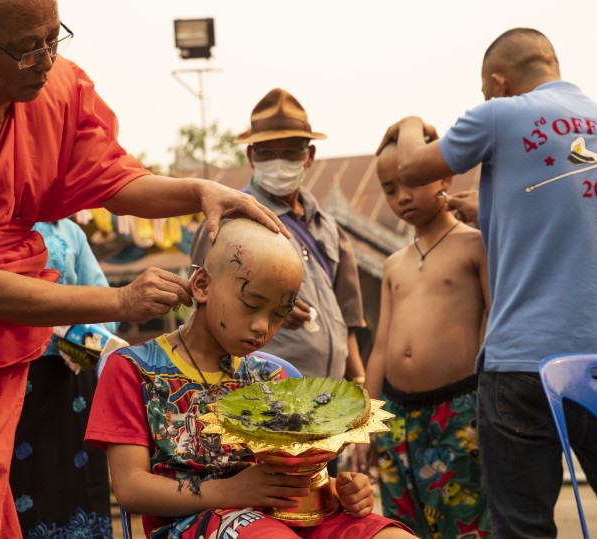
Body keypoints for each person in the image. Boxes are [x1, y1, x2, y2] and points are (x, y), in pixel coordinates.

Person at [0, 0, 285, 536]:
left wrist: (197, 190)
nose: (47, 62)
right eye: (28, 49)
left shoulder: (48, 85)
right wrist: (120, 301)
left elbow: (109, 178)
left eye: (55, 39)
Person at [376, 27, 597, 538]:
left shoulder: (501, 114)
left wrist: (410, 122)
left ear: (498, 83)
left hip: (526, 366)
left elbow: (411, 166)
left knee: (522, 530)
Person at [85, 218, 415, 539]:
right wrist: (231, 491)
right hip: (194, 523)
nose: (262, 327)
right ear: (202, 286)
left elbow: (301, 476)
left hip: (289, 517)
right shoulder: (133, 369)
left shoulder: (277, 376)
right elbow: (130, 488)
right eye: (252, 304)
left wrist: (342, 489)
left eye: (278, 314)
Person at [190, 88, 367, 386]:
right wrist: (271, 309)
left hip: (330, 391)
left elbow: (347, 322)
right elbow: (200, 309)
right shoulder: (227, 219)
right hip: (258, 389)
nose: (278, 161)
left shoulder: (329, 229)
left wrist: (359, 382)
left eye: (289, 152)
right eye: (266, 152)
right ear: (251, 156)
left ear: (309, 156)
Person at [364, 142, 490, 537]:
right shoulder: (393, 263)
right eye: (389, 188)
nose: (401, 196)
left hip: (459, 410)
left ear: (446, 179)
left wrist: (490, 402)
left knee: (467, 521)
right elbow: (381, 346)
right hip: (396, 414)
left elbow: (494, 321)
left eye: (412, 181)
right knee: (403, 525)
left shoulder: (476, 244)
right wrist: (366, 420)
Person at [8, 218, 119, 538]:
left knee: (77, 483)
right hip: (12, 376)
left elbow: (104, 302)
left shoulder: (69, 230)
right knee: (18, 481)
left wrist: (85, 337)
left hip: (70, 376)